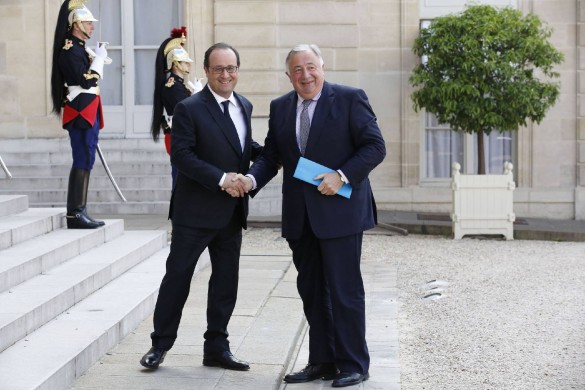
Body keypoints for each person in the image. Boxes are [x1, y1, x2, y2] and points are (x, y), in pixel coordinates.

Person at [237, 44, 386, 387]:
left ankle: (353, 363)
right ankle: (322, 360)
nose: (305, 75)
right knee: (312, 291)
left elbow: (374, 147)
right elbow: (272, 155)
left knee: (344, 291)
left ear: (323, 66)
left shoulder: (350, 98)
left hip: (341, 213)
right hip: (301, 217)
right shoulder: (281, 106)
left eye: (310, 67)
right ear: (288, 75)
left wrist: (342, 175)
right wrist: (250, 179)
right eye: (297, 70)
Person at [139, 42, 263, 371]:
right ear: (206, 71)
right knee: (177, 278)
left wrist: (262, 165)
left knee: (226, 281)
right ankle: (160, 344)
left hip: (231, 213)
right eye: (219, 68)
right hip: (194, 212)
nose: (226, 74)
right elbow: (182, 155)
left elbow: (243, 146)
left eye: (231, 68)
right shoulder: (189, 108)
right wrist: (223, 178)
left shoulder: (245, 106)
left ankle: (217, 347)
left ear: (238, 70)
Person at [50, 0, 110, 229]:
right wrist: (98, 62)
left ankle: (81, 209)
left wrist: (96, 58)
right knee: (83, 159)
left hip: (88, 110)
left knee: (87, 159)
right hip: (80, 111)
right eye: (87, 22)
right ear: (76, 24)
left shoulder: (79, 47)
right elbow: (85, 81)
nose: (92, 26)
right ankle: (75, 213)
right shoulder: (70, 49)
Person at [150, 26, 202, 189]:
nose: (188, 65)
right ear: (175, 64)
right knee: (180, 176)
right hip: (177, 135)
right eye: (185, 62)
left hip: (181, 134)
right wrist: (198, 97)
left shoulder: (180, 86)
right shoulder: (172, 87)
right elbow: (186, 111)